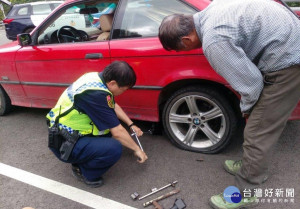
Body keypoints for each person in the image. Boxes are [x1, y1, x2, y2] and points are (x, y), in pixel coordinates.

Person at [158, 0, 300, 208]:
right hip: (290, 44)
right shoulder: (213, 9)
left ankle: (246, 192)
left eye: (180, 49)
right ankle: (252, 166)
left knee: (257, 132)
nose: (183, 53)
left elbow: (251, 85)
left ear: (187, 39)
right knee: (259, 124)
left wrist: (248, 109)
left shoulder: (214, 40)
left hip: (288, 63)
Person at [46, 61, 148, 188]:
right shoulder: (94, 94)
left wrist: (130, 123)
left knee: (106, 133)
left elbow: (112, 105)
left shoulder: (95, 78)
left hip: (67, 134)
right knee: (114, 147)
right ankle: (85, 172)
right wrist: (137, 149)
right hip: (63, 144)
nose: (123, 92)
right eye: (123, 89)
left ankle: (84, 156)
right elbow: (117, 132)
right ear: (112, 83)